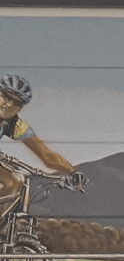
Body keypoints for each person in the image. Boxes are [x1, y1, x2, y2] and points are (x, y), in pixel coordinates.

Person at [0, 75, 76, 208]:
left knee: (14, 182)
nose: (9, 104)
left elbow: (46, 155)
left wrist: (72, 172)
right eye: (6, 96)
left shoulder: (15, 125)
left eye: (17, 102)